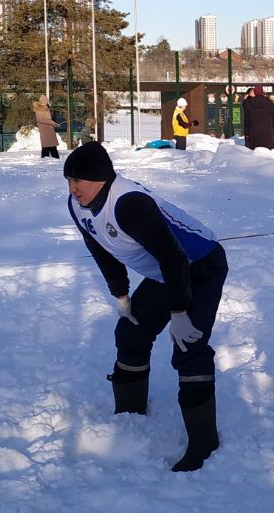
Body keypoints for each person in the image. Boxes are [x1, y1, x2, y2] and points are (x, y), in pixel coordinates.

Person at [64, 141, 228, 472]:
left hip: (200, 265)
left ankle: (203, 444)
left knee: (188, 345)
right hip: (165, 271)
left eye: (77, 180)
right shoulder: (78, 204)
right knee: (131, 332)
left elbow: (175, 257)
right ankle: (129, 415)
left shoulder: (129, 204)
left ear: (99, 178)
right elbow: (100, 248)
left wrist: (179, 313)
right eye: (68, 180)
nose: (72, 188)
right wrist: (121, 294)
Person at [242, 85, 274, 151]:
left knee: (254, 156)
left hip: (254, 134)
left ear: (255, 92)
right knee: (267, 157)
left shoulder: (248, 103)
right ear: (262, 92)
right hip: (267, 134)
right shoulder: (269, 103)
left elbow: (247, 120)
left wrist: (247, 133)